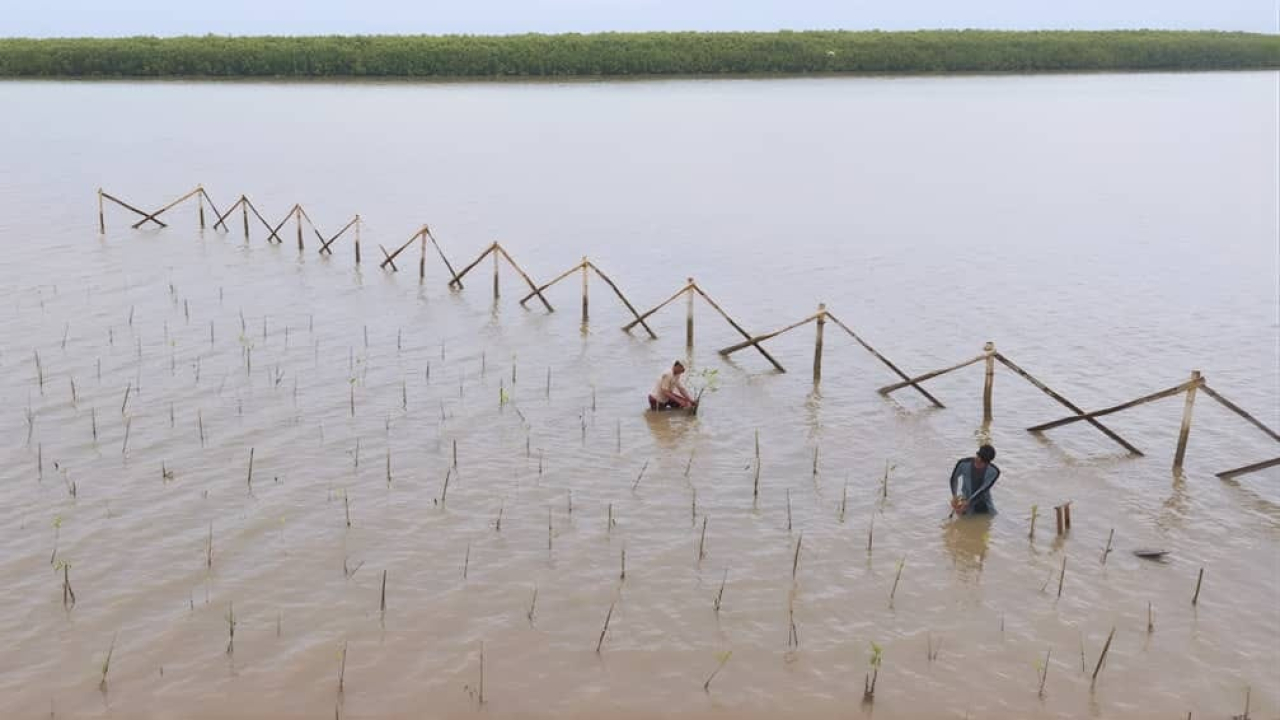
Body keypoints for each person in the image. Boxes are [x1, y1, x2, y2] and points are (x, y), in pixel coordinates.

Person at [949, 444, 1000, 516]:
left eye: (981, 463)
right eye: (977, 459)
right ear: (977, 454)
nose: (978, 463)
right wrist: (954, 496)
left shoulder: (994, 472)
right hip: (966, 498)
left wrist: (968, 503)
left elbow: (983, 489)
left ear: (988, 463)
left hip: (983, 502)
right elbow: (954, 478)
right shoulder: (963, 463)